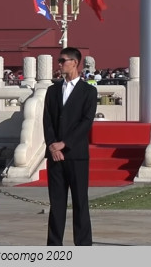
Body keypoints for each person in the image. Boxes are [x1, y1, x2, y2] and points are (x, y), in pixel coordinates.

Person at [43, 46, 97, 246]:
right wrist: (52, 146)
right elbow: (47, 120)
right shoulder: (53, 90)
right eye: (59, 60)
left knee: (80, 203)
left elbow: (86, 122)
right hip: (55, 157)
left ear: (75, 62)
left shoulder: (88, 91)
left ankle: (83, 246)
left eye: (62, 60)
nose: (59, 64)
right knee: (56, 205)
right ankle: (54, 247)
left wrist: (64, 144)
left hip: (76, 155)